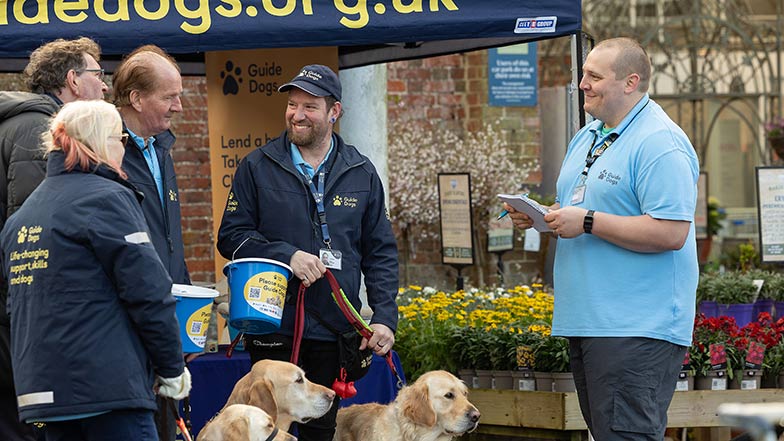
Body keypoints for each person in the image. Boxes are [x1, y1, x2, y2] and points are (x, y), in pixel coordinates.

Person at [506, 37, 699, 440]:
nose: (582, 85)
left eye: (594, 76)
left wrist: (588, 221)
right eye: (583, 75)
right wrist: (543, 216)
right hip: (591, 321)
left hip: (636, 326)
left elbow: (671, 231)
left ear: (630, 82)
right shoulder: (590, 135)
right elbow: (581, 207)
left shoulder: (658, 142)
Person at [217, 64, 399, 441]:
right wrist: (287, 256)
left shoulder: (361, 172)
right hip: (274, 325)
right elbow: (231, 237)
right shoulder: (257, 166)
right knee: (265, 432)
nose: (297, 114)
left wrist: (384, 317)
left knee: (320, 432)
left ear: (335, 112)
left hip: (335, 332)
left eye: (309, 106)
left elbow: (380, 252)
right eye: (292, 104)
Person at [0, 100, 190, 441]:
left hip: (42, 395)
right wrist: (172, 367)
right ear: (102, 143)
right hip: (108, 391)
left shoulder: (21, 219)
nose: (124, 149)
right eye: (121, 140)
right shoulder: (108, 198)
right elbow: (148, 292)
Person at [0, 36, 108, 441]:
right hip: (16, 314)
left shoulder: (27, 123)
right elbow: (32, 235)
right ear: (73, 80)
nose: (104, 86)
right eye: (98, 75)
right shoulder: (38, 130)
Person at [112, 45, 192, 441]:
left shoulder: (162, 148)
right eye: (169, 96)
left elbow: (169, 237)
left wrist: (189, 303)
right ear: (136, 98)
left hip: (166, 317)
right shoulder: (108, 153)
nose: (179, 106)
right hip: (129, 326)